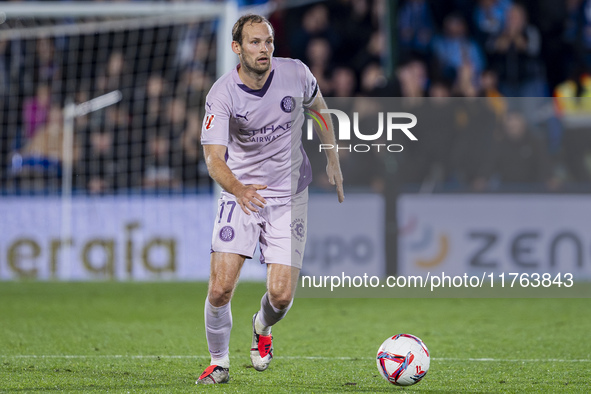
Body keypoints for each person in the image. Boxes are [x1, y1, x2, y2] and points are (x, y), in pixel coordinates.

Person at [196, 14, 344, 384]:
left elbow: (320, 109)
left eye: (268, 41)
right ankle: (219, 363)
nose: (264, 49)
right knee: (220, 287)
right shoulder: (222, 94)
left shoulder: (296, 73)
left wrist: (332, 159)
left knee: (279, 296)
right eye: (255, 43)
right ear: (237, 48)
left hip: (290, 194)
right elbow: (214, 159)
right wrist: (239, 189)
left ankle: (262, 327)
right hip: (241, 194)